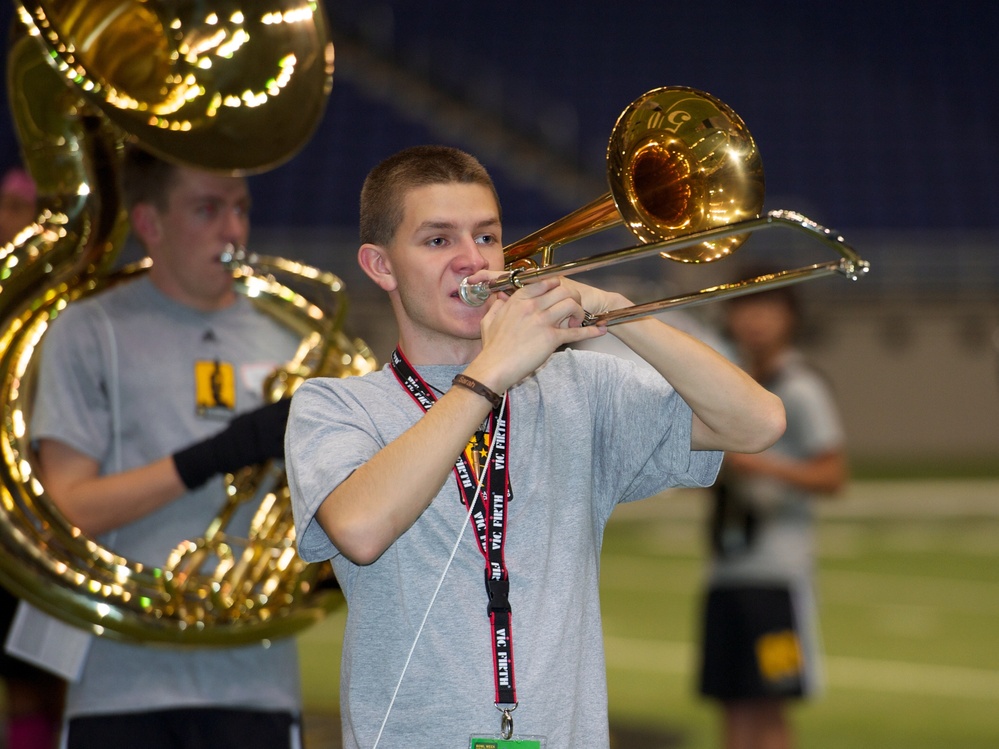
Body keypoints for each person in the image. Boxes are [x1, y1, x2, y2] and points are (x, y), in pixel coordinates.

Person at [285, 145, 785, 748]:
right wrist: (490, 373)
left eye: (488, 237)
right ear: (381, 266)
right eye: (438, 241)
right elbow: (361, 529)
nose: (472, 261)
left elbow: (757, 424)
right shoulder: (335, 405)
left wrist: (625, 314)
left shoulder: (576, 390)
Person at [30, 146, 304, 749]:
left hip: (255, 682)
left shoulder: (293, 340)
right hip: (120, 684)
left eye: (240, 209)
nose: (232, 228)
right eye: (207, 209)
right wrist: (212, 456)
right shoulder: (89, 330)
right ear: (150, 224)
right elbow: (68, 508)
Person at [697, 282, 848, 749]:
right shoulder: (733, 382)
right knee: (730, 701)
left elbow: (833, 475)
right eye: (744, 308)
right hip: (726, 571)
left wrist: (760, 463)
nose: (755, 320)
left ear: (790, 318)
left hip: (777, 578)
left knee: (771, 702)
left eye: (768, 309)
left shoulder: (800, 387)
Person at [0, 165, 68, 749]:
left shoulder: (68, 312)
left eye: (19, 208)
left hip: (48, 515)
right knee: (22, 682)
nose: (6, 220)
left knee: (51, 679)